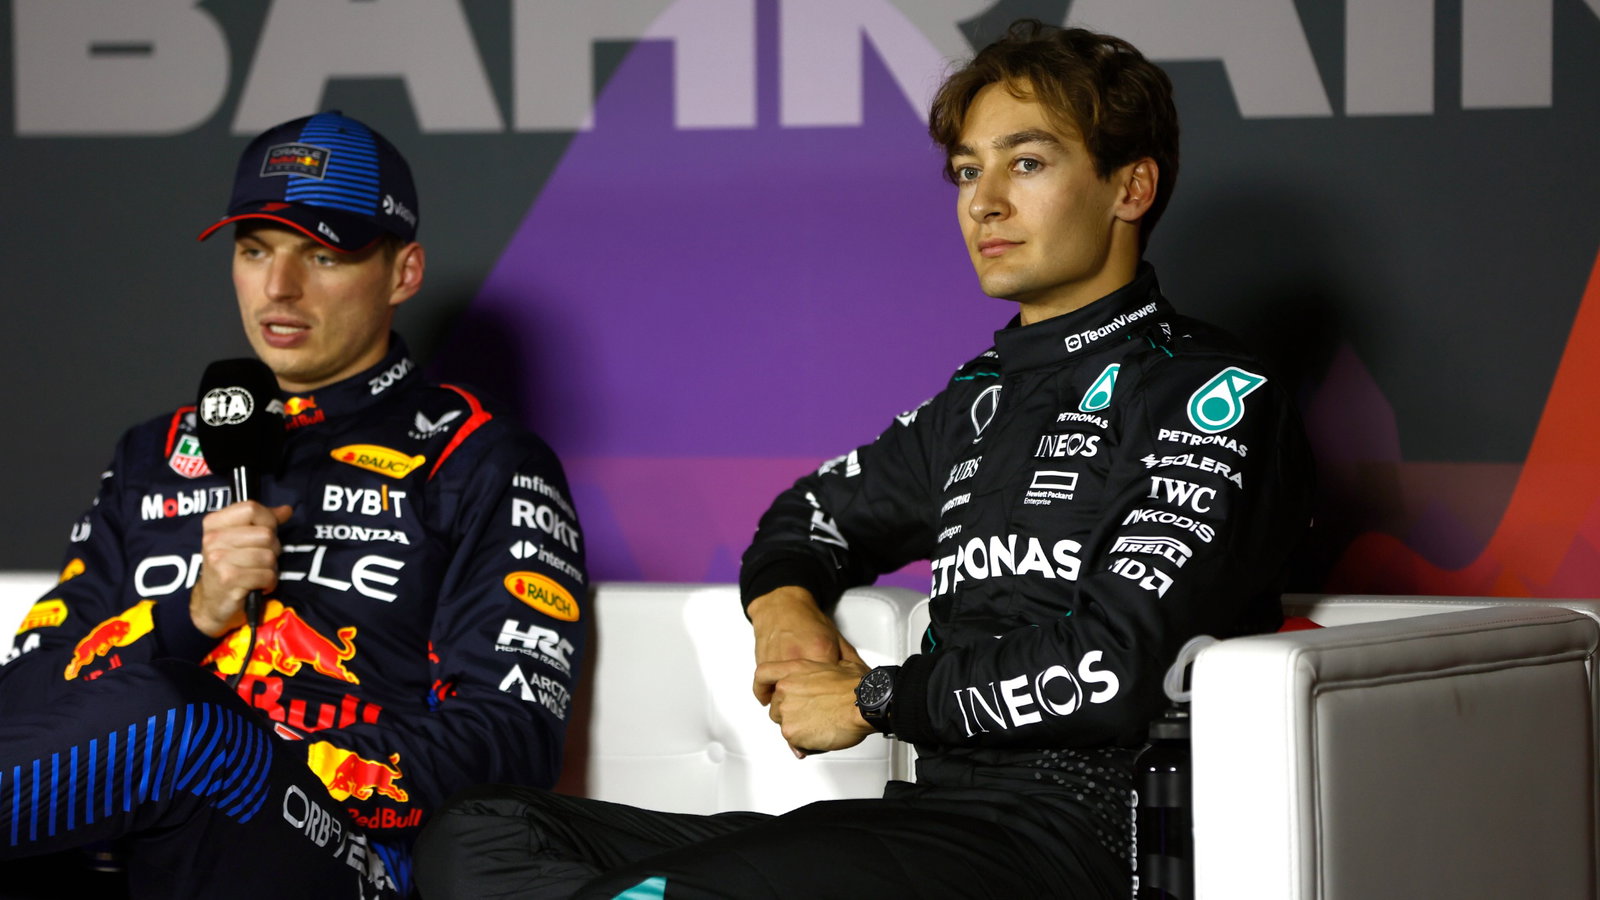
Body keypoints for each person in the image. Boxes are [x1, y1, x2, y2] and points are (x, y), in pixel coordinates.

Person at [414, 20, 1312, 900]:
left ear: (1130, 186)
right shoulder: (977, 400)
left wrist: (875, 699)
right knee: (483, 835)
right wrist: (785, 613)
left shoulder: (1211, 389)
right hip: (927, 818)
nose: (983, 201)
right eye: (968, 170)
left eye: (1026, 163)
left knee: (677, 889)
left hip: (1076, 835)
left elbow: (1114, 667)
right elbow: (801, 519)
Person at [0, 111, 587, 898]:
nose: (280, 288)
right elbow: (28, 694)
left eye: (322, 254)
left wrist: (268, 758)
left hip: (342, 854)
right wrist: (191, 615)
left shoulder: (481, 460)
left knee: (182, 720)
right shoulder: (153, 452)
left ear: (403, 273)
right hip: (114, 846)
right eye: (255, 252)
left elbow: (510, 738)